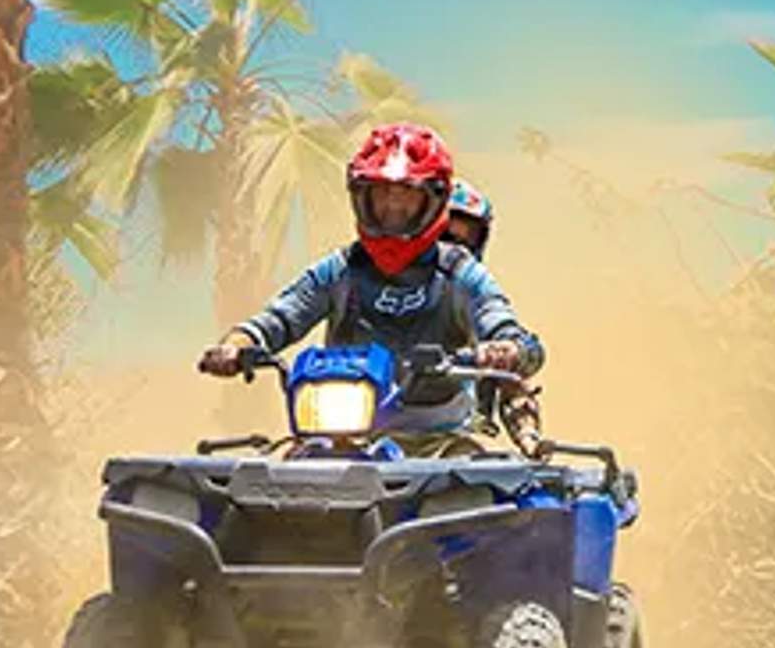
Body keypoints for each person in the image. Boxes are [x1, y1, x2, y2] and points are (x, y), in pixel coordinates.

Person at [200, 123, 540, 435]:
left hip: (444, 436)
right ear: (360, 197)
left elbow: (510, 330)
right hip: (341, 433)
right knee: (279, 471)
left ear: (434, 201)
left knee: (477, 477)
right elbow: (279, 318)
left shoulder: (461, 274)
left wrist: (507, 348)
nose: (393, 208)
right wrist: (236, 346)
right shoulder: (340, 269)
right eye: (381, 194)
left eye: (406, 195)